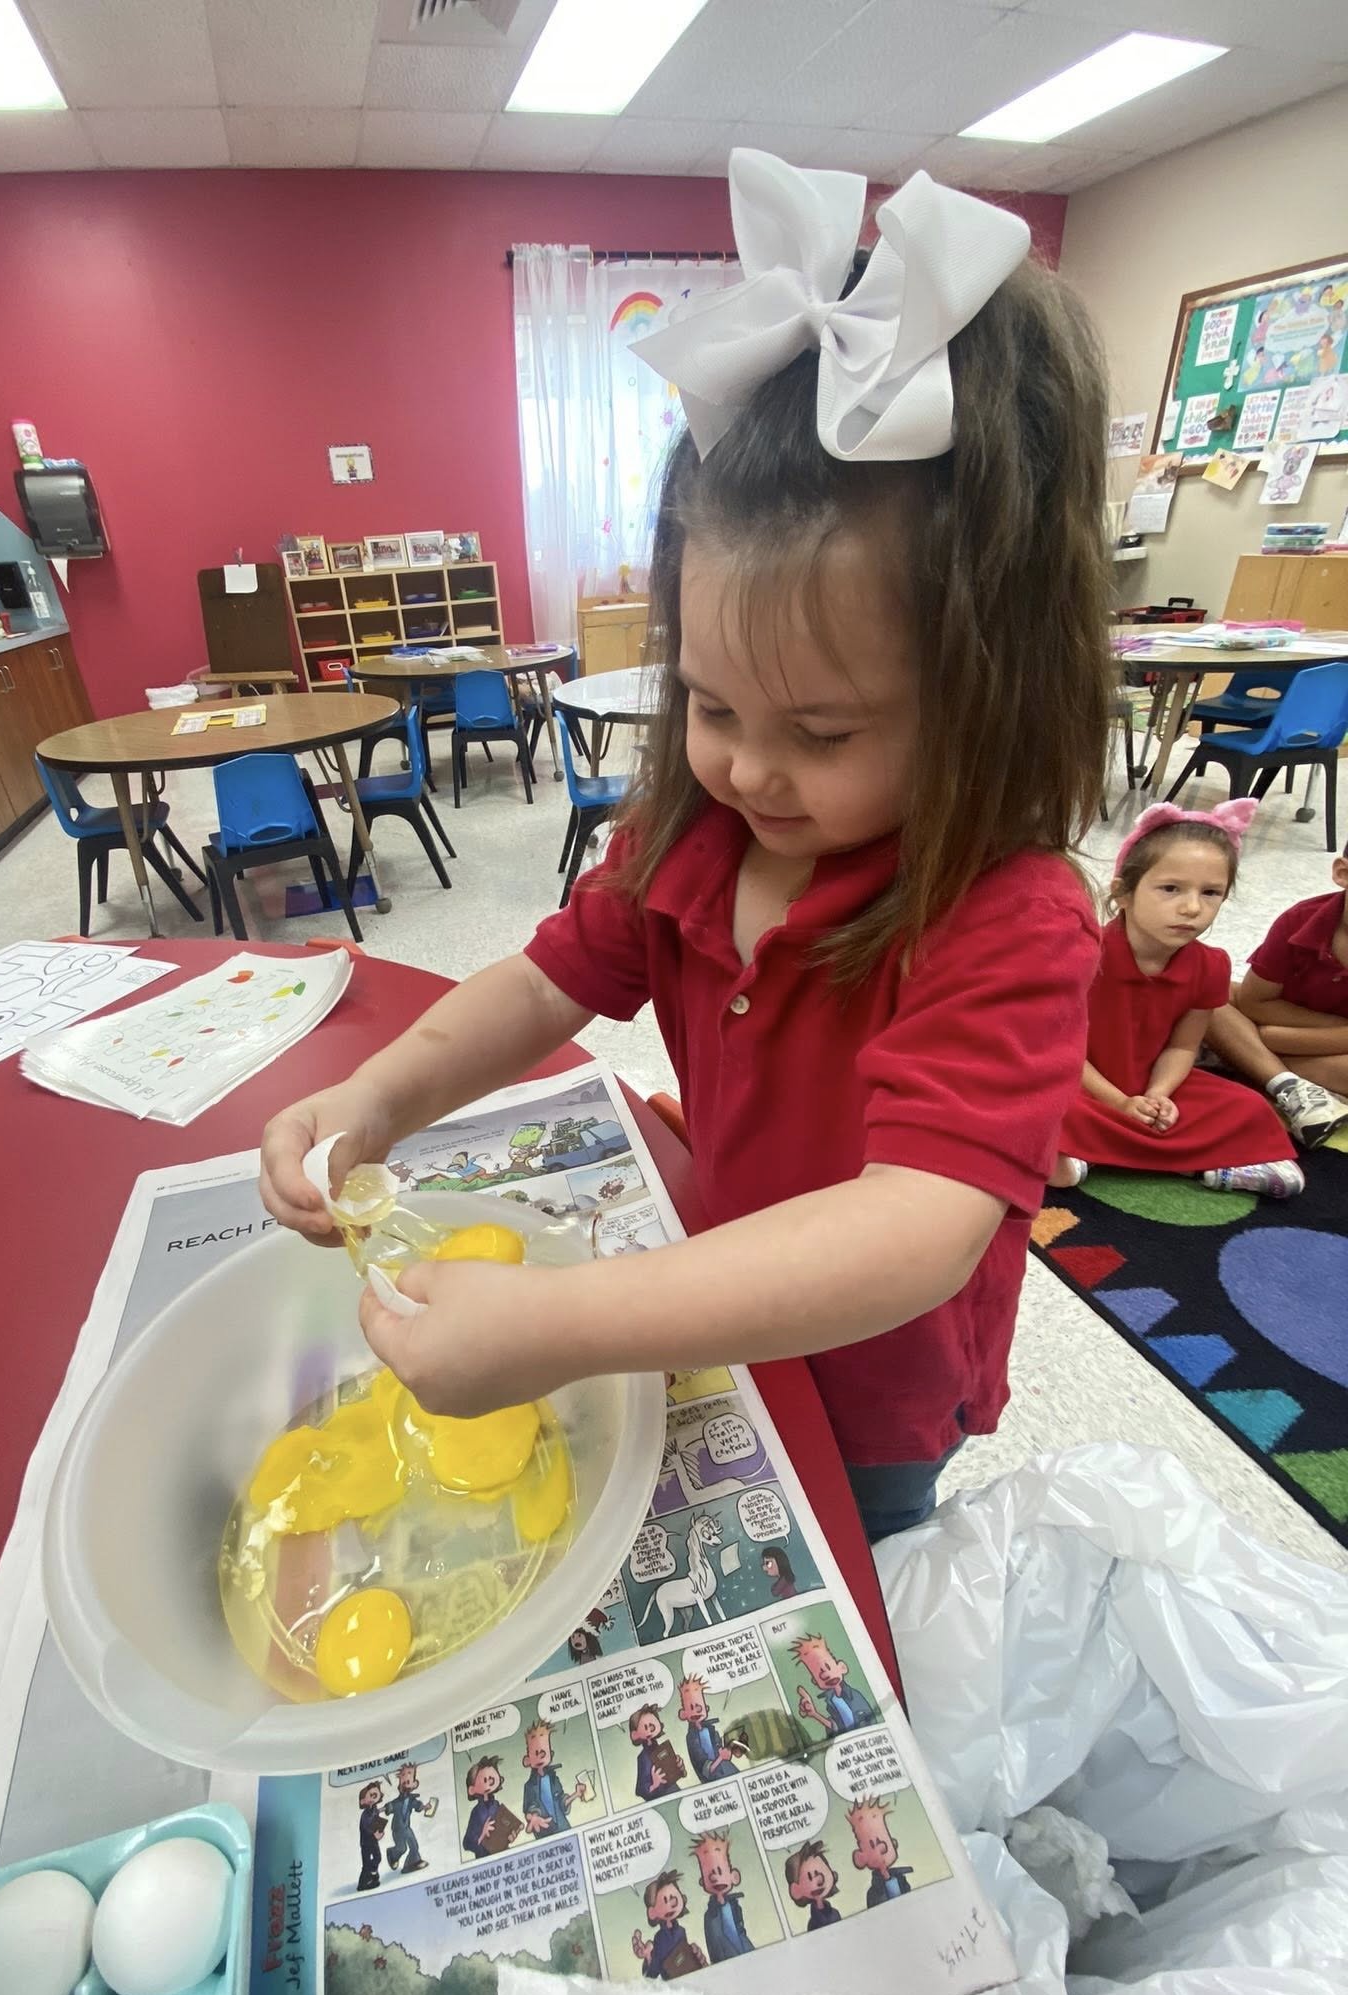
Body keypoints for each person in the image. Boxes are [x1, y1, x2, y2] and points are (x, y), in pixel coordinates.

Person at [259, 149, 1113, 1541]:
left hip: (875, 1394)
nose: (751, 769)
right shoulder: (691, 832)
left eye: (822, 732)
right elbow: (545, 982)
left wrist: (561, 1321)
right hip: (703, 1295)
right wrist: (381, 1096)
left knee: (866, 1558)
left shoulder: (1008, 917)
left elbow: (914, 1224)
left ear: (988, 696)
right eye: (712, 707)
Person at [1052, 802, 1304, 1199]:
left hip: (1147, 1081)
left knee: (1251, 1108)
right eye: (1171, 889)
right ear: (1123, 893)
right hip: (1077, 1080)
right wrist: (1119, 1103)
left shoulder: (1211, 965)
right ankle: (1181, 1158)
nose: (1191, 908)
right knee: (1039, 1107)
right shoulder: (1082, 953)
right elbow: (1062, 1051)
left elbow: (1183, 1046)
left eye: (1211, 893)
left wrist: (1159, 1094)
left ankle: (1098, 1155)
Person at [1204, 845, 1348, 1141]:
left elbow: (1269, 1030)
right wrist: (1280, 1035)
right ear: (1342, 873)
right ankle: (1290, 1086)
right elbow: (1254, 1001)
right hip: (1284, 1021)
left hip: (1313, 1043)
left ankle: (1244, 1058)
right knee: (1206, 990)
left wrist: (1276, 1038)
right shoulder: (1301, 920)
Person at [792, 1632, 875, 1735]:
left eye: (828, 1667)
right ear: (815, 1681)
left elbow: (868, 1720)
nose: (826, 1674)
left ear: (842, 1667)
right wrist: (814, 1714)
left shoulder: (854, 1696)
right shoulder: (831, 1701)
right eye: (819, 1674)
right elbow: (837, 1727)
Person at [691, 1830, 755, 1962]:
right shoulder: (710, 1916)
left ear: (734, 1876)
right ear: (703, 1882)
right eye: (709, 1875)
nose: (715, 1878)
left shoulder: (734, 1905)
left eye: (720, 1871)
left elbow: (740, 1931)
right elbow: (714, 1946)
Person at [631, 1871, 704, 1977]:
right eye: (665, 1900)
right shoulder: (659, 1938)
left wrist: (695, 1954)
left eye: (673, 1898)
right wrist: (648, 1956)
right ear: (652, 1913)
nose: (672, 1903)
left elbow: (686, 1956)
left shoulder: (681, 1931)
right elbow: (653, 1972)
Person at [846, 1799, 912, 1907]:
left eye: (885, 1841)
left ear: (893, 1843)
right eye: (873, 1845)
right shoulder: (873, 1894)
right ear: (861, 1858)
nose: (882, 1848)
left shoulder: (901, 1880)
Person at [520, 1719, 578, 1835]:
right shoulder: (530, 1786)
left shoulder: (554, 1780)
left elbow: (562, 1803)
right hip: (544, 1833)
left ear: (551, 1754)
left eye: (544, 1752)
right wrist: (533, 1818)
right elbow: (529, 1809)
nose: (541, 1756)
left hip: (563, 1828)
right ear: (527, 1760)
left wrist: (576, 1794)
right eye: (536, 1753)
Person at [678, 1674, 739, 1782]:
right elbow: (705, 1770)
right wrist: (721, 1757)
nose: (696, 1711)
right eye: (691, 1708)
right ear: (683, 1714)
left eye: (699, 1707)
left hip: (727, 1769)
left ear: (706, 1709)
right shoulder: (692, 1738)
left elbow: (719, 1747)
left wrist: (727, 1750)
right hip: (715, 1779)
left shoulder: (710, 1729)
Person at [385, 1760, 431, 1875]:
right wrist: (380, 1810)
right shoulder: (397, 1802)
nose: (405, 1781)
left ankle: (413, 1862)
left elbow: (417, 1806)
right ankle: (392, 1854)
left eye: (408, 1780)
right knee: (402, 1848)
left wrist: (425, 1807)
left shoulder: (411, 1800)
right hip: (397, 1830)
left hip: (406, 1828)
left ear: (415, 1784)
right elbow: (389, 1807)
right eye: (403, 1780)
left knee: (414, 1844)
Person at [785, 1839, 841, 1931]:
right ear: (796, 1890)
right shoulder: (814, 1924)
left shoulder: (835, 1913)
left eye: (823, 1872)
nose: (820, 1881)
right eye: (810, 1877)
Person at [462, 1756, 505, 1858]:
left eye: (492, 1779)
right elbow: (467, 1843)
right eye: (485, 1780)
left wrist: (510, 1833)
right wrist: (482, 1834)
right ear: (472, 1790)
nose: (490, 1782)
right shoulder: (476, 1812)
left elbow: (504, 1827)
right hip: (485, 1857)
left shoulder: (496, 1805)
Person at [628, 1704, 672, 1801]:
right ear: (635, 1735)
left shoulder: (663, 1749)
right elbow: (640, 1789)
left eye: (652, 1726)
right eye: (645, 1727)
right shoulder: (643, 1758)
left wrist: (679, 1768)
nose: (650, 1730)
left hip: (674, 1791)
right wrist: (654, 1785)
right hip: (659, 1799)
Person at [357, 1780, 386, 1891]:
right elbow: (366, 1826)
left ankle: (373, 1874)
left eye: (375, 1795)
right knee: (366, 1863)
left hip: (373, 1840)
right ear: (363, 1800)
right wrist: (375, 1834)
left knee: (377, 1857)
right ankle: (362, 1884)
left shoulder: (374, 1809)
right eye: (370, 1795)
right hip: (366, 1842)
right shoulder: (365, 1814)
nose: (373, 1797)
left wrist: (383, 1810)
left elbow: (376, 1814)